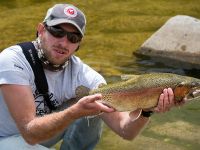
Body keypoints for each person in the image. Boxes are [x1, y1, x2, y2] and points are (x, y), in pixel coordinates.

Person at [0, 3, 182, 150]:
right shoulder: (13, 61)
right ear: (41, 30)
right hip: (7, 139)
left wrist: (147, 109)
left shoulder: (84, 75)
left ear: (78, 44)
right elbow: (29, 133)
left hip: (36, 137)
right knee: (81, 107)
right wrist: (74, 112)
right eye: (57, 32)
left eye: (73, 38)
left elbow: (126, 131)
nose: (63, 42)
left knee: (95, 104)